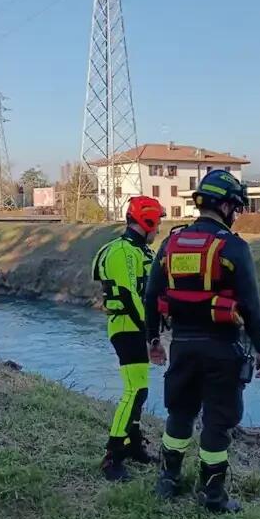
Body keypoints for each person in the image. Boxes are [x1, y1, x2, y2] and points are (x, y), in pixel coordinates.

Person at [144, 169, 260, 514]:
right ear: (226, 206)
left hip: (181, 346)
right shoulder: (234, 247)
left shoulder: (171, 243)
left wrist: (153, 338)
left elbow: (152, 294)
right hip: (222, 348)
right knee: (217, 421)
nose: (236, 214)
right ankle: (212, 495)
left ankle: (168, 480)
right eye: (236, 208)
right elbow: (250, 304)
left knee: (179, 413)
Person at [92, 196, 164, 481]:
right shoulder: (122, 252)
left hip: (136, 326)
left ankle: (133, 444)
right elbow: (128, 296)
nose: (158, 229)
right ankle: (113, 455)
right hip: (126, 326)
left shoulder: (141, 251)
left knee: (140, 390)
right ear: (146, 221)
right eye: (157, 223)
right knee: (134, 391)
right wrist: (150, 334)